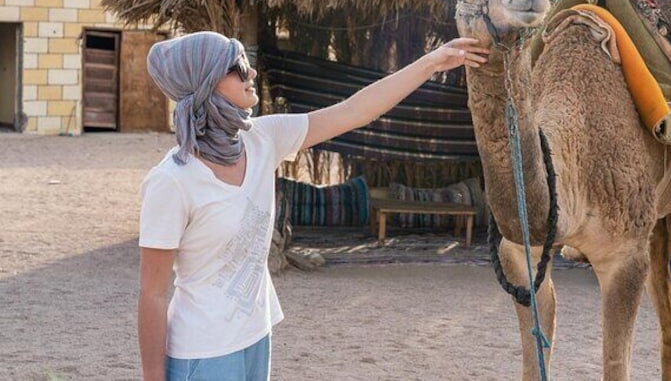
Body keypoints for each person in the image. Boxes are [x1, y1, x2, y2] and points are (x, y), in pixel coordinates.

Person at [137, 31, 488, 381]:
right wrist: (154, 376)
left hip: (255, 335)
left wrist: (432, 62)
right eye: (238, 66)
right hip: (203, 352)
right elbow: (153, 294)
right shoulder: (172, 181)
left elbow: (353, 111)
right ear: (206, 83)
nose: (252, 73)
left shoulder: (261, 140)